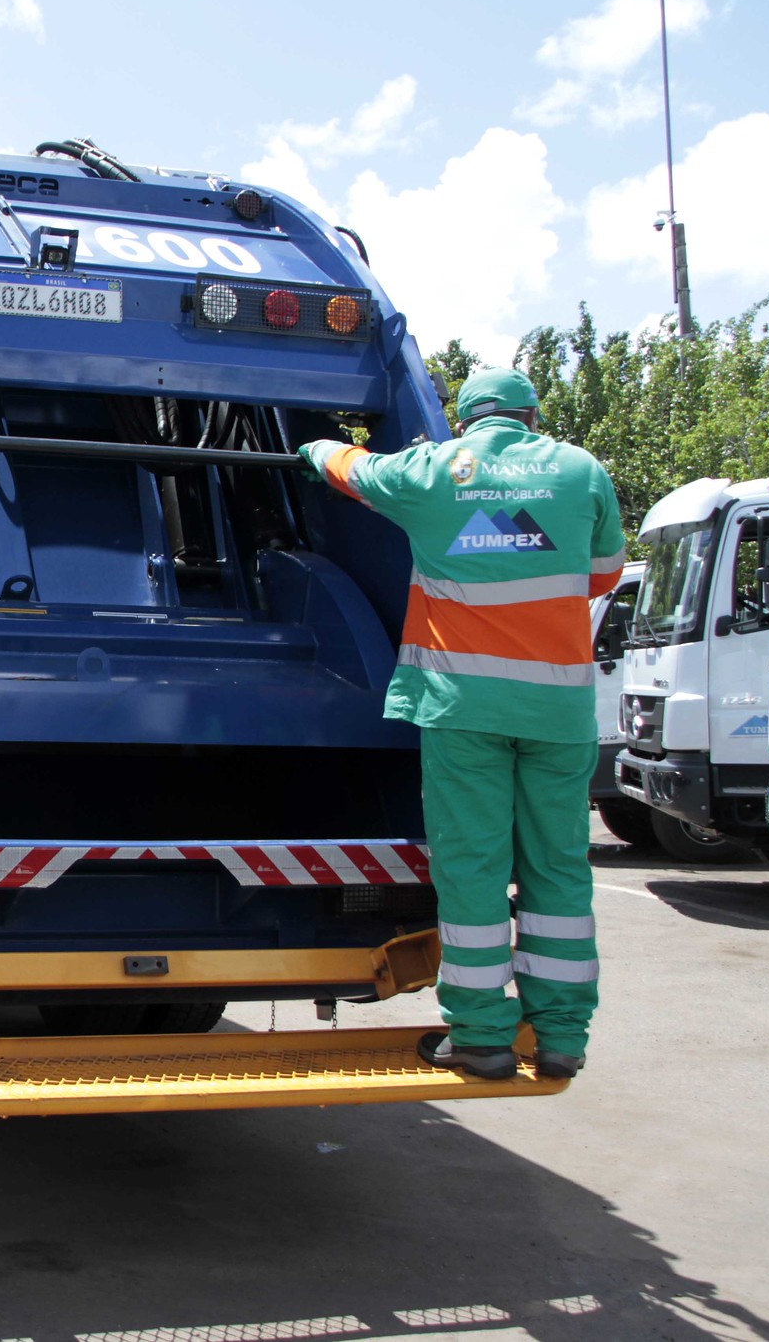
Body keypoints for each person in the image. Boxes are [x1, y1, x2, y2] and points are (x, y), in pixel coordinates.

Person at [298, 368, 623, 1082]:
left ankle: (482, 1038)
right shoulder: (580, 470)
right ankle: (562, 1035)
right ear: (532, 414)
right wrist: (521, 548)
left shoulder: (438, 467)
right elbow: (601, 575)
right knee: (559, 871)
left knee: (473, 871)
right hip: (557, 712)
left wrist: (313, 445)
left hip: (465, 709)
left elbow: (358, 471)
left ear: (468, 419)